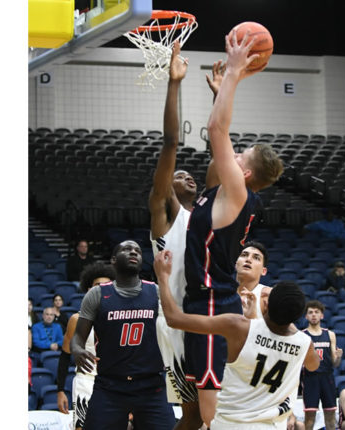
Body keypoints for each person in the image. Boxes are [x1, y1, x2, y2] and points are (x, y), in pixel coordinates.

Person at [183, 28, 284, 425]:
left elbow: (217, 131)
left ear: (245, 173)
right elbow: (215, 157)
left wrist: (234, 74)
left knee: (210, 415)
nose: (234, 153)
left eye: (240, 155)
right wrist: (218, 95)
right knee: (197, 409)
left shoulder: (238, 194)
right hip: (205, 301)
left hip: (211, 303)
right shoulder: (226, 192)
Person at [154, 249, 320, 429]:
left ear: (267, 303)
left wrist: (163, 277)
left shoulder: (238, 326)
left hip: (230, 424)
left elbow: (173, 319)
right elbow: (313, 365)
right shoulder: (304, 343)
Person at [147, 40, 203, 429]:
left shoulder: (205, 216)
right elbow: (170, 143)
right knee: (195, 413)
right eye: (178, 174)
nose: (186, 175)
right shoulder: (166, 214)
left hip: (205, 316)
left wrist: (220, 94)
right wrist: (174, 83)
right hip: (177, 319)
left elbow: (223, 161)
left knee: (206, 413)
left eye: (189, 174)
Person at [70, 240, 175, 430]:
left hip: (151, 385)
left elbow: (175, 326)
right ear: (113, 260)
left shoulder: (156, 292)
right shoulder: (96, 294)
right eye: (127, 249)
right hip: (110, 386)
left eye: (137, 251)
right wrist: (77, 350)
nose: (133, 252)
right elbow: (78, 337)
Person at [56, 263, 116, 429]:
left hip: (113, 381)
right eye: (98, 285)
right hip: (86, 380)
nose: (102, 289)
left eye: (107, 285)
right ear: (89, 289)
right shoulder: (76, 320)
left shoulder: (120, 318)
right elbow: (65, 355)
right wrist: (60, 390)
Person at [301, 300, 343, 430]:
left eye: (316, 312)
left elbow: (335, 363)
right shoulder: (302, 336)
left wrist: (339, 357)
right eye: (310, 312)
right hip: (310, 378)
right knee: (309, 417)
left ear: (322, 315)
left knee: (330, 416)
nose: (313, 315)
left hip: (327, 377)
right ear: (306, 316)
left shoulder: (330, 335)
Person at [235, 241, 270, 320]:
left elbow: (285, 327)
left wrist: (252, 318)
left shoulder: (268, 296)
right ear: (236, 264)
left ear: (263, 271)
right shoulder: (221, 291)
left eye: (256, 258)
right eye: (244, 255)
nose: (248, 259)